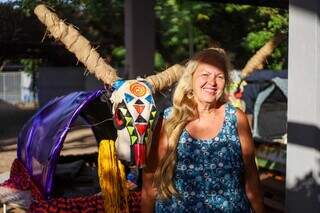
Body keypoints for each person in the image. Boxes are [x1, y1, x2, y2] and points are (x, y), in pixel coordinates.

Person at [141, 48, 264, 212]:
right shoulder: (169, 120)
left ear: (226, 82)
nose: (212, 83)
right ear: (191, 78)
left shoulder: (236, 119)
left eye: (219, 77)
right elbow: (150, 183)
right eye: (205, 75)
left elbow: (251, 177)